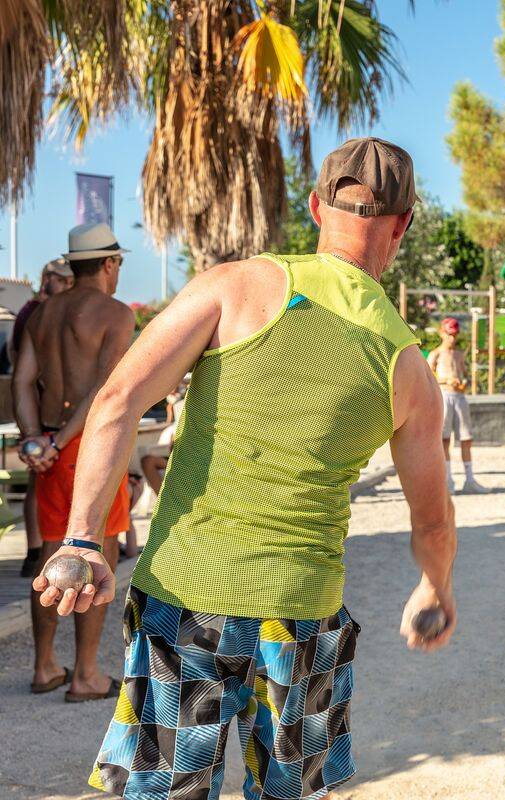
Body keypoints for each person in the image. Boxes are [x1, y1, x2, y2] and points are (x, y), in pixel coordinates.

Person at [32, 138, 457, 799]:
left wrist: (83, 537)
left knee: (162, 790)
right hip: (300, 617)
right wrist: (435, 587)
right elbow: (432, 522)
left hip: (181, 599)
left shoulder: (236, 286)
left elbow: (117, 400)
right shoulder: (408, 367)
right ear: (403, 224)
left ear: (316, 208)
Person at [15, 224, 134, 701]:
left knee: (50, 555)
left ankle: (45, 667)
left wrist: (35, 442)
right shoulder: (116, 314)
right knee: (98, 554)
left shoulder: (42, 316)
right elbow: (105, 390)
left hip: (48, 448)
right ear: (108, 265)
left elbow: (22, 382)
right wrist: (64, 442)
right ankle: (85, 674)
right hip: (89, 447)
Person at [12, 258, 75, 578]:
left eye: (69, 281)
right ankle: (36, 551)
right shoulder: (34, 313)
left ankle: (41, 551)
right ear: (47, 278)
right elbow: (22, 373)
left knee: (42, 483)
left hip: (48, 414)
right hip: (40, 412)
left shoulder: (49, 312)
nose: (66, 285)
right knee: (38, 483)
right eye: (61, 280)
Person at [428, 316, 487, 494]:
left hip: (460, 396)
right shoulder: (435, 354)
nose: (452, 339)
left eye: (455, 335)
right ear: (442, 333)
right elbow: (429, 377)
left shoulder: (459, 354)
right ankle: (448, 480)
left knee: (466, 438)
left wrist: (464, 382)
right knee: (444, 439)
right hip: (444, 395)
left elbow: (465, 374)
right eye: (449, 334)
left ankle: (469, 479)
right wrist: (446, 380)